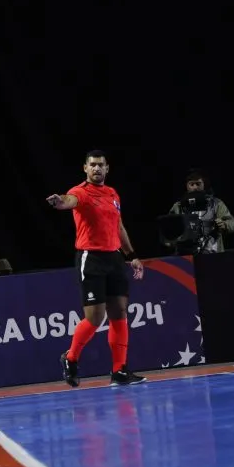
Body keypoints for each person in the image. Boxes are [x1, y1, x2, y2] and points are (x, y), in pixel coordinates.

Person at [45, 150, 148, 388]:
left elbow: (119, 227)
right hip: (91, 259)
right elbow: (68, 200)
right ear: (85, 168)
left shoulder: (112, 193)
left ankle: (119, 370)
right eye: (92, 165)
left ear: (107, 168)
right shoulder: (81, 191)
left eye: (101, 165)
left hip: (114, 258)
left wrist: (132, 255)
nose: (97, 168)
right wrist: (59, 202)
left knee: (119, 312)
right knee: (95, 317)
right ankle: (71, 358)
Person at [165, 169, 234, 254]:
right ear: (187, 186)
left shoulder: (216, 203)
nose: (195, 187)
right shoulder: (178, 206)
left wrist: (224, 224)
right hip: (185, 254)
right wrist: (171, 239)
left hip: (212, 253)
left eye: (198, 184)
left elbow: (231, 222)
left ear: (204, 185)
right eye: (191, 184)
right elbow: (168, 229)